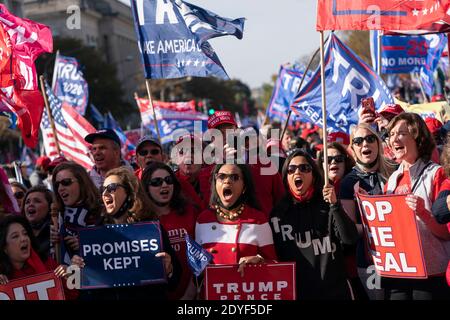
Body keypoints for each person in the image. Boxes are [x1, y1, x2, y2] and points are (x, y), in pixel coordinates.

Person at [70, 166, 181, 300]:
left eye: (111, 188)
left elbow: (174, 283)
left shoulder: (151, 231)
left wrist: (169, 270)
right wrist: (78, 272)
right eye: (102, 189)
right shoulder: (94, 236)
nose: (105, 194)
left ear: (130, 192)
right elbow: (86, 292)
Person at [269, 149, 358, 300]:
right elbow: (273, 258)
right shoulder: (278, 215)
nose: (298, 172)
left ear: (314, 175)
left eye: (304, 168)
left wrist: (335, 206)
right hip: (299, 294)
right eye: (291, 169)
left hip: (336, 294)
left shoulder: (328, 205)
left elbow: (350, 239)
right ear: (286, 177)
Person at [384, 112, 450, 299]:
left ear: (417, 137)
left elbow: (446, 233)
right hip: (400, 272)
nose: (394, 138)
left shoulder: (436, 174)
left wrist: (423, 213)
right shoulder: (391, 181)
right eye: (391, 134)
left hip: (431, 274)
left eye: (401, 133)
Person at [339, 123, 396, 299]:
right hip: (370, 260)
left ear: (378, 143)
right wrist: (377, 227)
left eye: (370, 139)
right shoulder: (349, 182)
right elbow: (350, 228)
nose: (365, 144)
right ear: (353, 149)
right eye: (358, 141)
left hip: (400, 257)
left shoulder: (395, 171)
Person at [196, 163, 277, 272]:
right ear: (215, 184)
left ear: (244, 187)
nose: (227, 181)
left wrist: (260, 261)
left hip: (247, 287)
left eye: (234, 177)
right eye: (221, 177)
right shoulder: (203, 220)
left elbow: (275, 267)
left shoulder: (258, 220)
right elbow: (196, 270)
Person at [142, 162, 198, 300]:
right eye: (156, 182)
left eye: (168, 180)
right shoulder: (140, 222)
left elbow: (202, 258)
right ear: (146, 188)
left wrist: (190, 295)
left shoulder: (192, 213)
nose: (164, 185)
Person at [0, 215, 77, 299]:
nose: (23, 239)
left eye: (25, 234)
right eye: (15, 236)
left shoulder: (47, 263)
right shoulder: (2, 277)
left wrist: (69, 277)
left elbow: (73, 295)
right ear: (4, 248)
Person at [51, 162, 103, 265]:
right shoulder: (57, 215)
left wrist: (87, 244)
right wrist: (53, 240)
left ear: (82, 182)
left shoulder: (101, 211)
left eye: (66, 182)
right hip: (68, 279)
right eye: (57, 185)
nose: (60, 188)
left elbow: (114, 245)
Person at [22, 186, 53, 256]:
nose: (31, 204)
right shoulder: (20, 234)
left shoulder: (56, 233)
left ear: (50, 206)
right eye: (27, 202)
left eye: (37, 201)